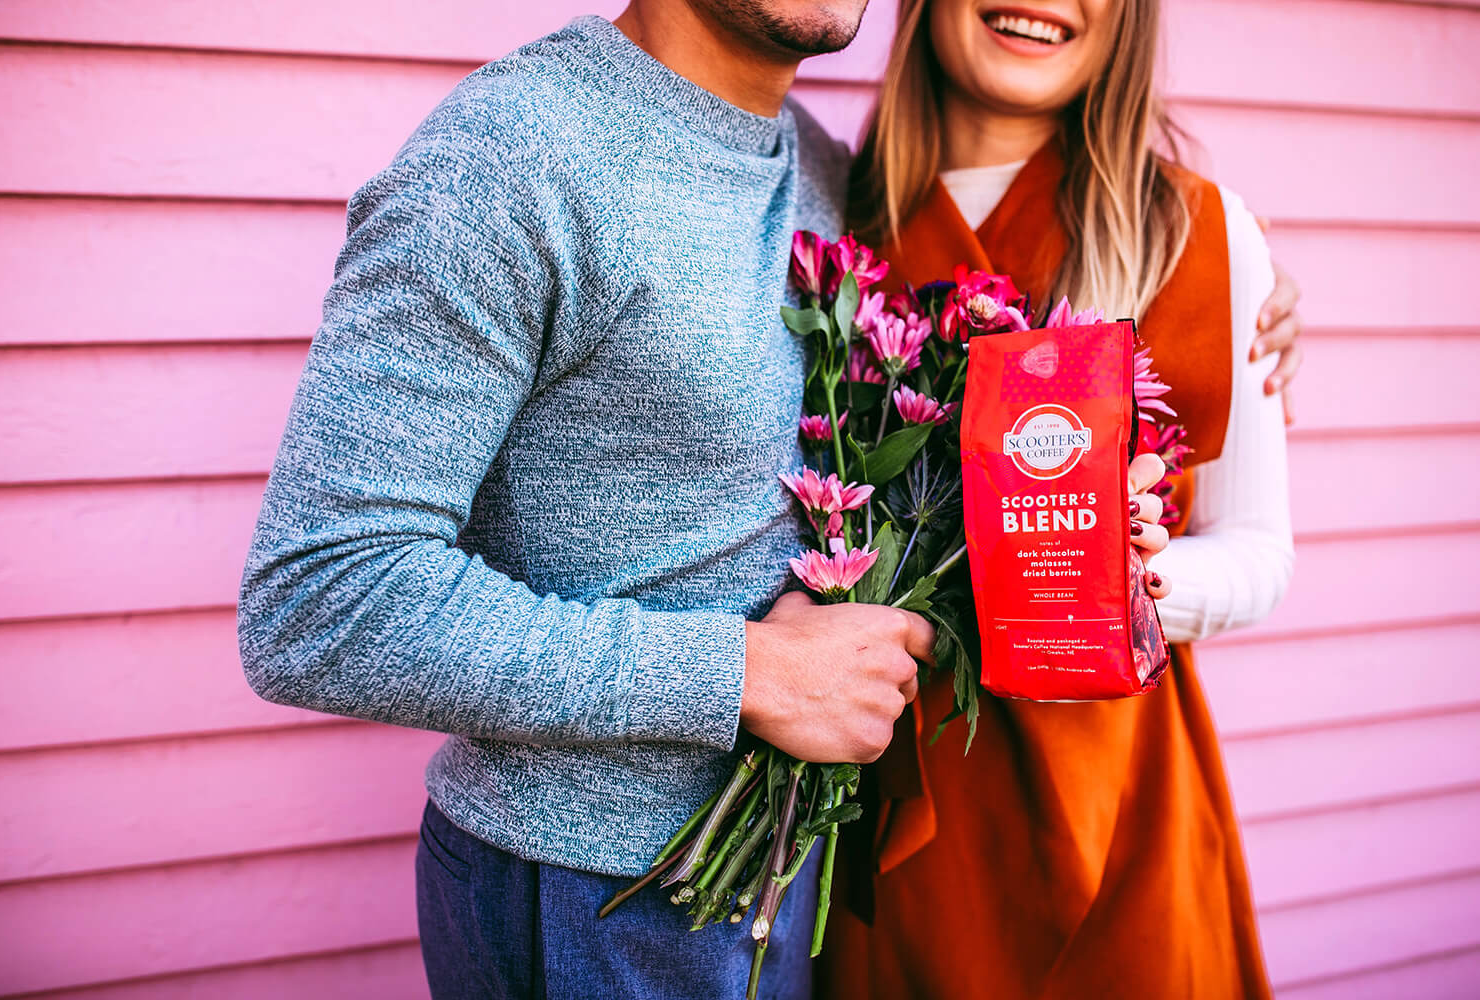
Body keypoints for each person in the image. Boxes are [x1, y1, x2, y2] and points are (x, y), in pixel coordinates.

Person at [236, 1, 1302, 997]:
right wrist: (745, 671)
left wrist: (1240, 294)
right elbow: (319, 597)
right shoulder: (515, 154)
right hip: (593, 894)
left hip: (806, 879)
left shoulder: (833, 182)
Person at [816, 1, 1295, 998]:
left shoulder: (1196, 231)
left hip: (1117, 811)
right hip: (886, 811)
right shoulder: (830, 222)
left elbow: (1257, 550)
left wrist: (1114, 574)